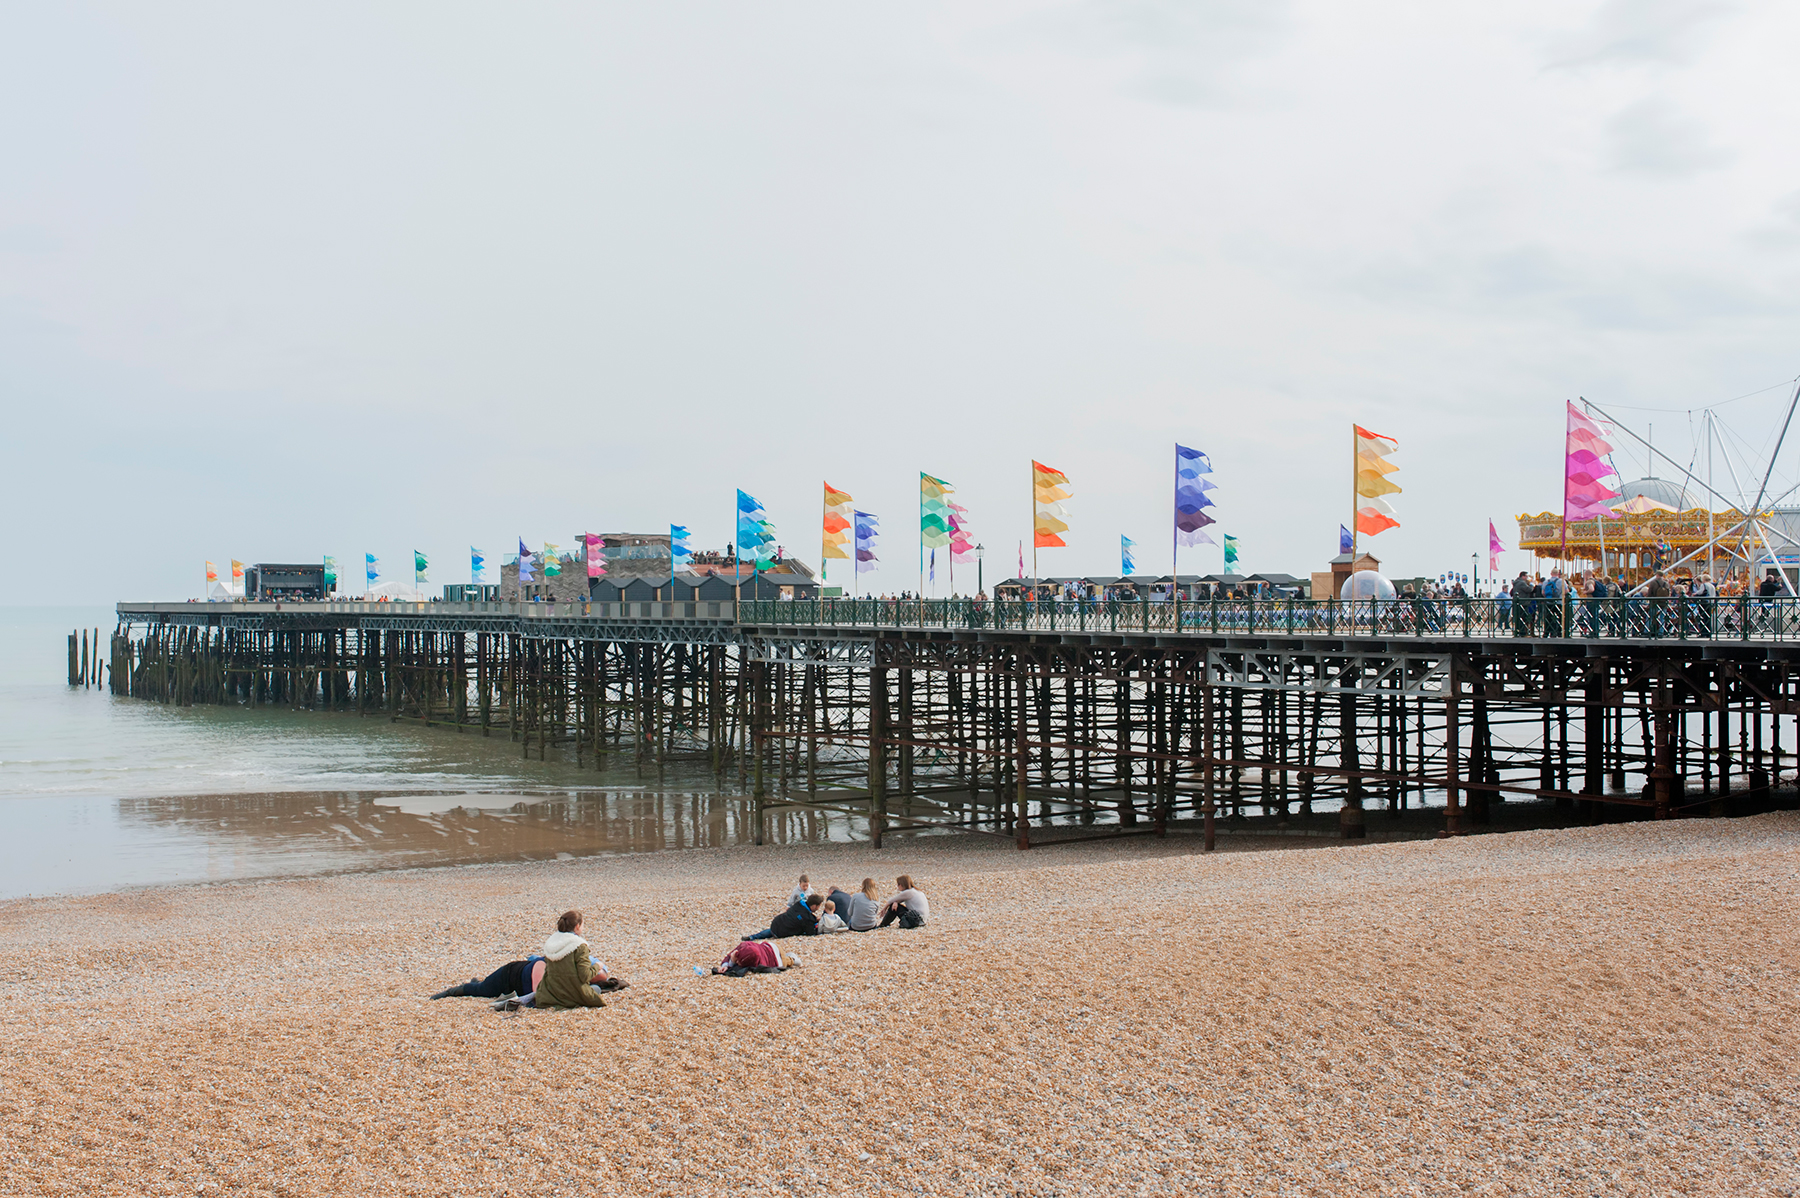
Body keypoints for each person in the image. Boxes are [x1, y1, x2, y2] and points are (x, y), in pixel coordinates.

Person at [535, 909, 623, 1010]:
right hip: (572, 994)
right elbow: (584, 976)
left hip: (550, 994)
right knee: (597, 989)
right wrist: (598, 966)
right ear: (577, 926)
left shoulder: (551, 943)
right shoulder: (579, 946)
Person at [430, 954, 547, 1002]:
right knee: (481, 990)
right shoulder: (541, 965)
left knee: (485, 986)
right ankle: (451, 992)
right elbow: (537, 995)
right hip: (507, 976)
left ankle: (478, 982)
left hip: (519, 977)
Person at [745, 892, 828, 940]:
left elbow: (802, 915)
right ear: (814, 906)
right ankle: (752, 937)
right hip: (783, 932)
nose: (818, 908)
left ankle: (752, 937)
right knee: (801, 931)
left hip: (777, 922)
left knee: (771, 931)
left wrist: (814, 919)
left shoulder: (799, 904)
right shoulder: (807, 918)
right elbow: (811, 932)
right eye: (818, 906)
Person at [708, 940, 799, 976]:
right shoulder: (745, 945)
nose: (738, 963)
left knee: (786, 962)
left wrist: (731, 962)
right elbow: (730, 955)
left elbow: (738, 969)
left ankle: (793, 959)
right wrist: (727, 964)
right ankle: (790, 958)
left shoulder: (758, 964)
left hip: (779, 959)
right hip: (770, 946)